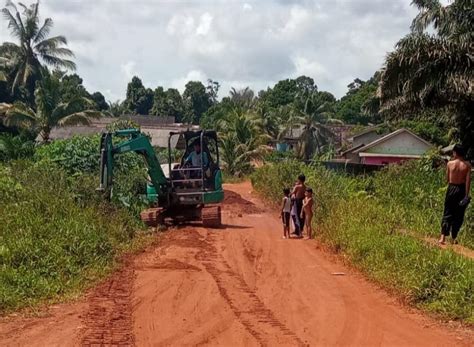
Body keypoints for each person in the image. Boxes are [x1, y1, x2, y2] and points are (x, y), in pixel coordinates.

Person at [439, 144, 471, 245]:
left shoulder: (449, 164)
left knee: (447, 212)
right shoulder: (467, 165)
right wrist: (466, 195)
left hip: (451, 188)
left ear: (455, 153)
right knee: (458, 214)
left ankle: (442, 237)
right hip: (461, 190)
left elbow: (447, 179)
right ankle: (453, 238)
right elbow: (467, 182)